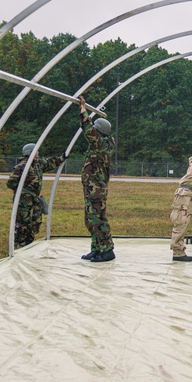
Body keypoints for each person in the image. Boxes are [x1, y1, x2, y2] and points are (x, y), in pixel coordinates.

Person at [6, 143, 65, 248]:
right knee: (23, 221)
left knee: (36, 220)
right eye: (36, 151)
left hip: (35, 198)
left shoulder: (38, 164)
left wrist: (63, 157)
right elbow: (11, 182)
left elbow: (51, 162)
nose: (38, 153)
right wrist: (23, 191)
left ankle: (29, 240)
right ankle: (20, 242)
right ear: (30, 152)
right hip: (24, 199)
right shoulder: (21, 166)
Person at [79, 95, 116, 262]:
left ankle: (107, 250)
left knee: (98, 219)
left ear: (99, 132)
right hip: (91, 188)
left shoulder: (101, 144)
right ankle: (96, 248)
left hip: (96, 189)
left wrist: (83, 109)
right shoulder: (101, 144)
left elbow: (87, 130)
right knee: (90, 219)